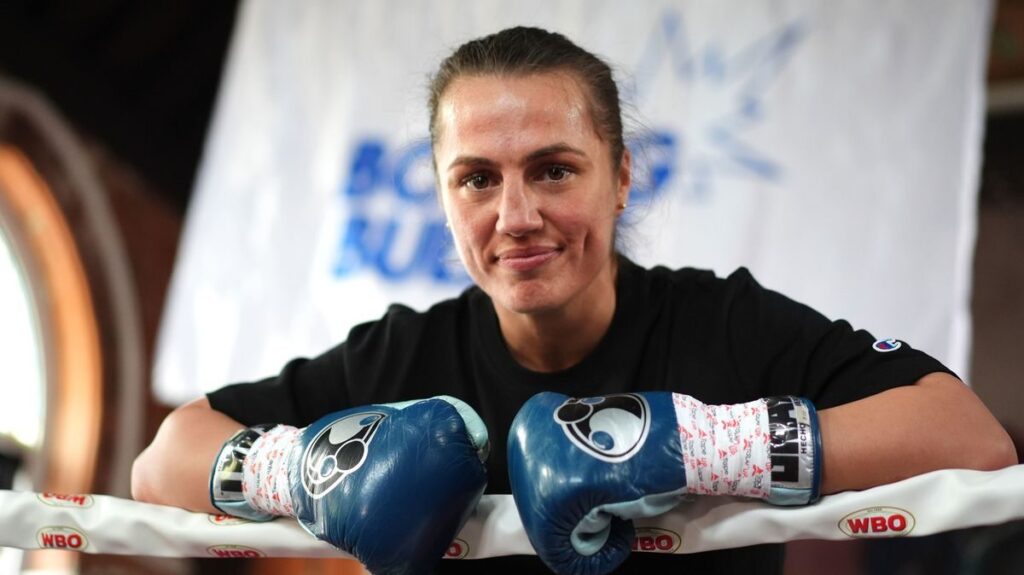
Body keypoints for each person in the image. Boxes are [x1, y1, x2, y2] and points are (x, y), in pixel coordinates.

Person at [132, 26, 1017, 574]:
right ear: (443, 196)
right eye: (477, 179)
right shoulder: (407, 356)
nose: (517, 218)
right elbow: (163, 465)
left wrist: (703, 444)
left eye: (554, 169)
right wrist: (307, 469)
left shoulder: (722, 324)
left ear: (622, 177)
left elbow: (968, 437)